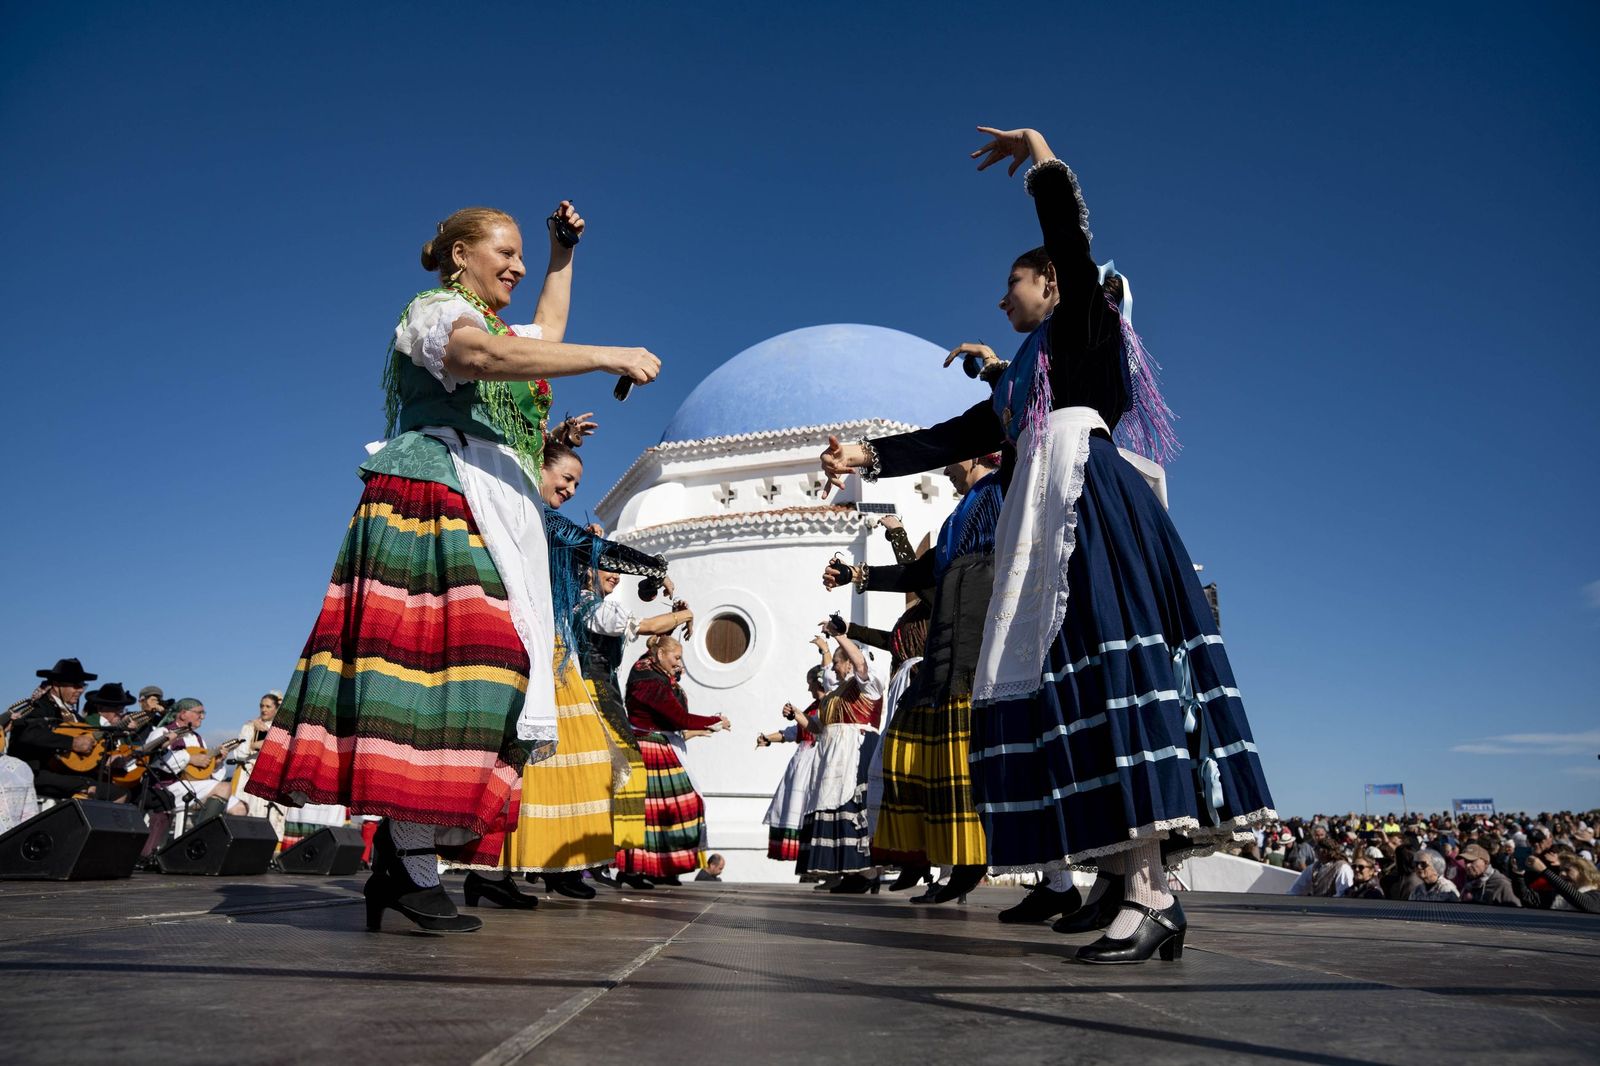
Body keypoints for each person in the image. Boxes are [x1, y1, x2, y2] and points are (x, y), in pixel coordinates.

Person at [818, 127, 1274, 964]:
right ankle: (1134, 889)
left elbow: (1072, 241)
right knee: (1078, 696)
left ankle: (1150, 895)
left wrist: (1042, 160)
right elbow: (967, 429)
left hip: (1088, 505)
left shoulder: (1083, 328)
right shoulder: (1030, 366)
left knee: (1106, 682)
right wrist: (871, 457)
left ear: (1052, 283)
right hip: (1047, 516)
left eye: (1013, 283)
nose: (1002, 299)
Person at [246, 202, 663, 934]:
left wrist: (564, 253)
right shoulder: (434, 313)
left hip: (490, 502)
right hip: (434, 491)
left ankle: (406, 865)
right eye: (505, 252)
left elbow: (543, 335)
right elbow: (484, 359)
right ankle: (408, 866)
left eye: (525, 258)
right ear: (460, 254)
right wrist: (609, 355)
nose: (519, 266)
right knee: (454, 670)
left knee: (488, 673)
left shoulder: (497, 322)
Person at [448, 440, 669, 905]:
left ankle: (546, 864)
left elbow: (581, 551)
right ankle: (493, 870)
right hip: (533, 647)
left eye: (575, 483)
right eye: (564, 477)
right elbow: (590, 547)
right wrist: (651, 564)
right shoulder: (529, 513)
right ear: (537, 468)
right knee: (534, 765)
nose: (569, 488)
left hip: (552, 649)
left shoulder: (541, 520)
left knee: (577, 763)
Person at [825, 454, 1004, 908]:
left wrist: (896, 533)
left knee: (962, 759)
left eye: (952, 460)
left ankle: (971, 863)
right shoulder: (958, 518)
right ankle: (926, 856)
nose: (944, 470)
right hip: (943, 657)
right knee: (908, 756)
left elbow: (931, 579)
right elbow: (926, 576)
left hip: (977, 640)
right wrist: (858, 575)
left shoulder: (1005, 492)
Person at [579, 563, 694, 890]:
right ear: (588, 572)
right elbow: (644, 628)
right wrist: (680, 616)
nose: (615, 576)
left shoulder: (601, 606)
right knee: (609, 775)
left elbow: (648, 635)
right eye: (605, 569)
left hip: (603, 689)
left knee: (616, 777)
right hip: (592, 690)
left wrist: (672, 612)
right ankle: (594, 861)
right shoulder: (589, 606)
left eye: (617, 571)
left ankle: (603, 857)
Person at [616, 635, 730, 884]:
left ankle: (664, 867)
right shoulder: (649, 680)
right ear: (659, 655)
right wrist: (714, 720)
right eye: (676, 657)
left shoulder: (653, 673)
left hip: (661, 746)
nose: (679, 663)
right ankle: (635, 868)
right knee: (654, 811)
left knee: (673, 809)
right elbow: (679, 718)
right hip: (650, 748)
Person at [793, 632, 884, 894]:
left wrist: (839, 636)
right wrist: (799, 716)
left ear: (847, 662)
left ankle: (865, 872)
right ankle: (848, 871)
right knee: (834, 806)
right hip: (832, 755)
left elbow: (861, 664)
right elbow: (819, 727)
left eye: (837, 662)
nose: (833, 667)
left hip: (854, 751)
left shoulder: (867, 684)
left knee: (851, 807)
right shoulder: (835, 695)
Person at [7, 658, 106, 803]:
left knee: (115, 789)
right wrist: (71, 742)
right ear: (56, 684)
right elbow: (27, 734)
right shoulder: (36, 707)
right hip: (34, 772)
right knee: (92, 788)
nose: (80, 690)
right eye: (75, 685)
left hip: (63, 773)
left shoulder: (76, 717)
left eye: (82, 685)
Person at [758, 669, 826, 865]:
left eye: (810, 682)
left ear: (818, 682)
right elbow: (795, 731)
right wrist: (769, 738)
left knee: (808, 808)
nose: (808, 687)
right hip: (804, 761)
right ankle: (808, 861)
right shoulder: (814, 705)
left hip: (816, 761)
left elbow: (812, 727)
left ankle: (814, 860)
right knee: (798, 808)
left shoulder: (828, 704)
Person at [226, 693, 285, 835]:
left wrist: (268, 739)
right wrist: (252, 746)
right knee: (244, 815)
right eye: (261, 706)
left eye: (268, 706)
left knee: (269, 817)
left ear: (276, 709)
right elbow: (238, 753)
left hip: (270, 779)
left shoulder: (283, 729)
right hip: (247, 777)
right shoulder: (249, 726)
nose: (264, 709)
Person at [1287, 838, 1353, 898]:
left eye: (1317, 848)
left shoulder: (1342, 867)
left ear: (1325, 851)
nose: (1314, 850)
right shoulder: (1314, 867)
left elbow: (1342, 893)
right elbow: (1297, 888)